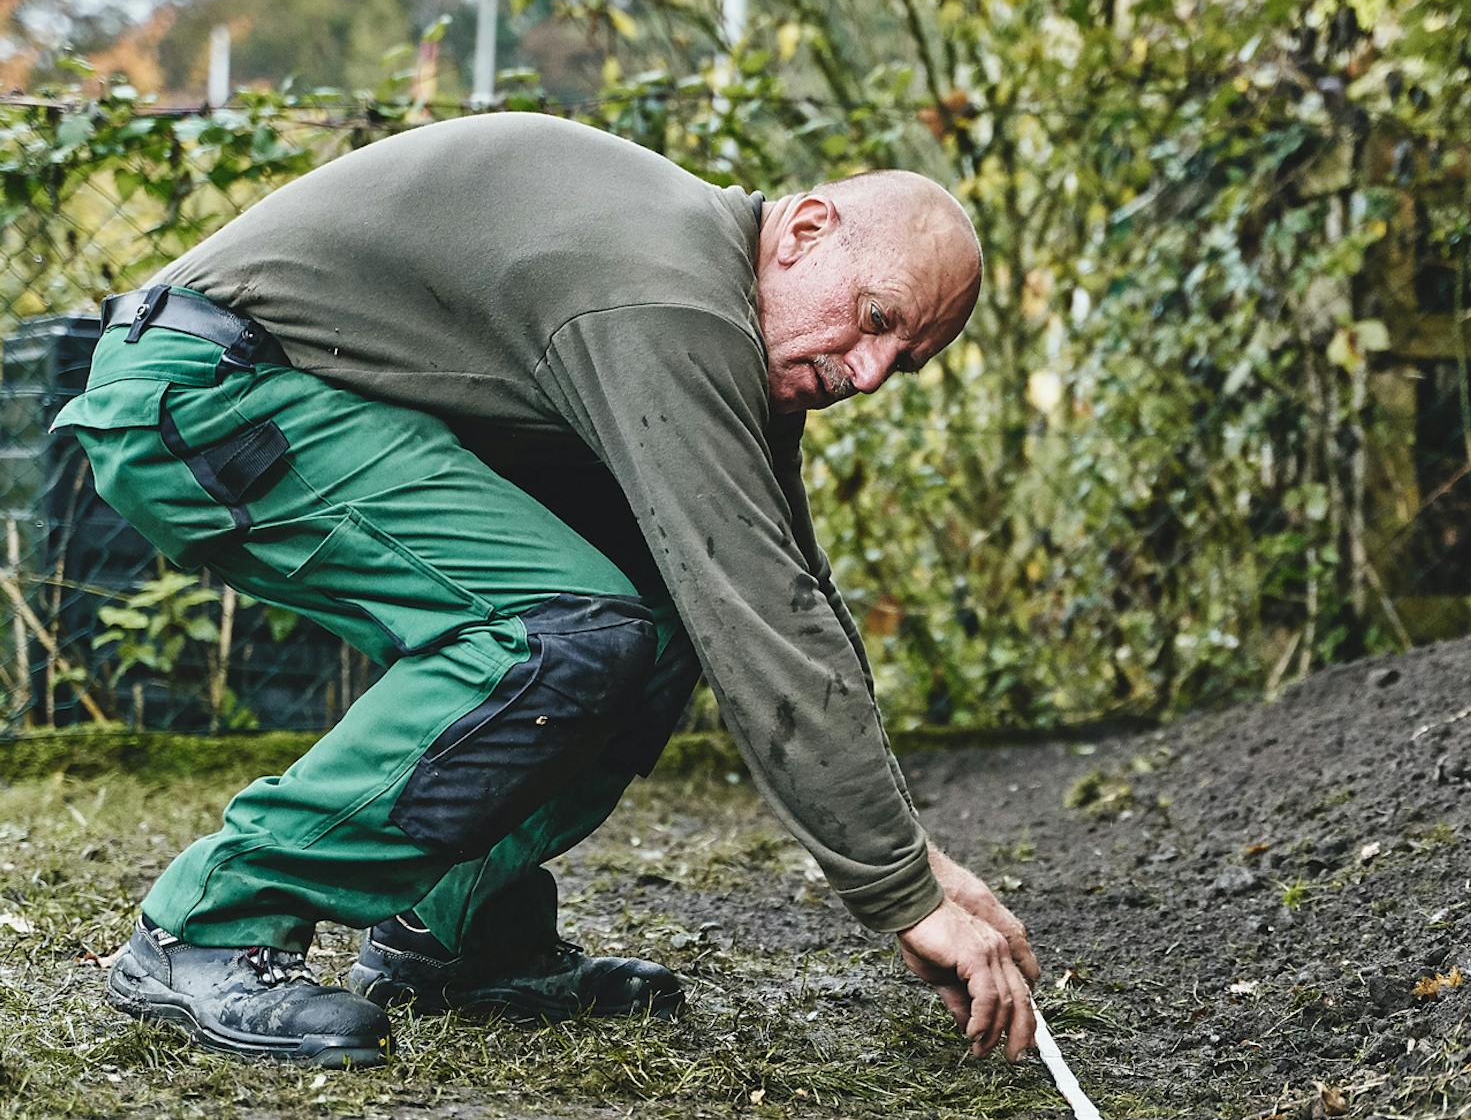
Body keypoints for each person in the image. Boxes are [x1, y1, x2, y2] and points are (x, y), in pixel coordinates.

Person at [52, 112, 1040, 1069]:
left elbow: (785, 589)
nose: (868, 373)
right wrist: (901, 893)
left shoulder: (720, 308)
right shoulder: (674, 302)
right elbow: (760, 620)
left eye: (903, 361)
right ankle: (208, 926)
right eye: (876, 320)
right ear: (807, 230)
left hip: (305, 394)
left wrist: (915, 861)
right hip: (206, 390)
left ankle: (455, 928)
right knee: (553, 635)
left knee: (654, 620)